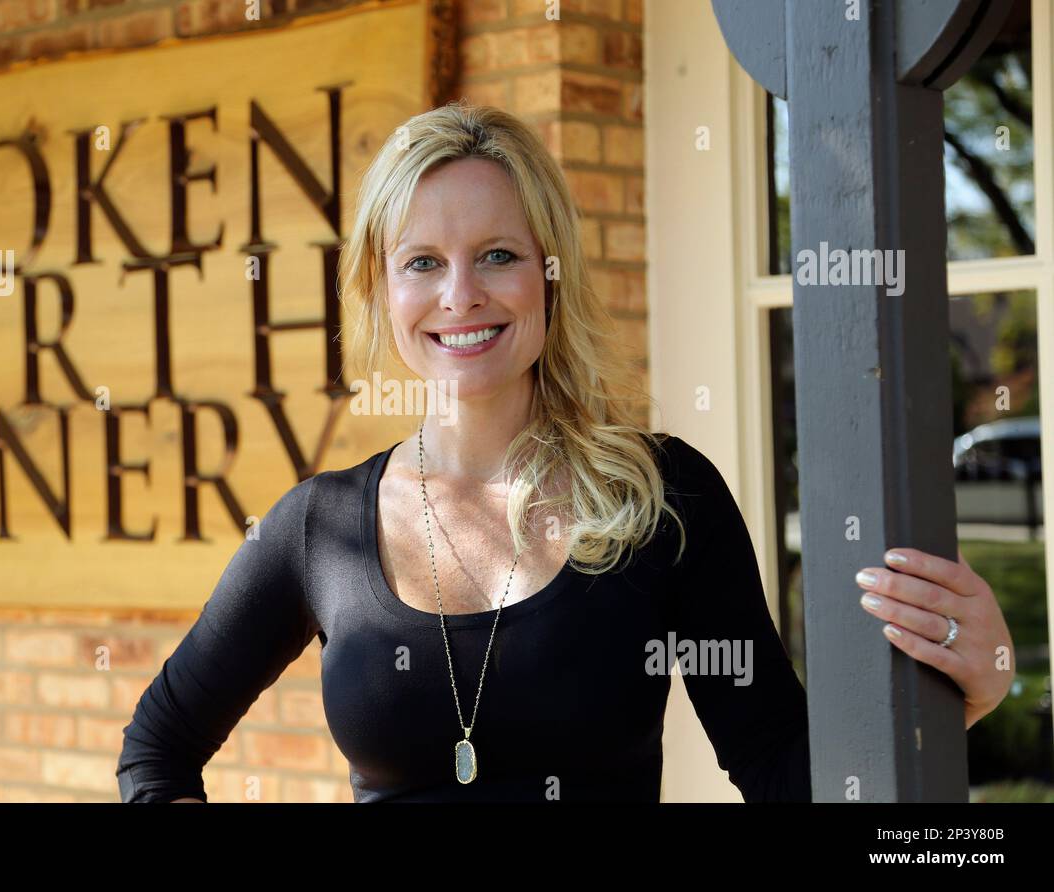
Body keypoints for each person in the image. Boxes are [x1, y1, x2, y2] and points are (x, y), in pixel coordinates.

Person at [115, 103, 1015, 803]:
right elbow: (157, 745)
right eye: (422, 261)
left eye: (498, 254)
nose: (459, 295)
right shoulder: (319, 528)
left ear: (551, 273)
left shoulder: (662, 499)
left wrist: (951, 702)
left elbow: (781, 772)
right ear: (380, 289)